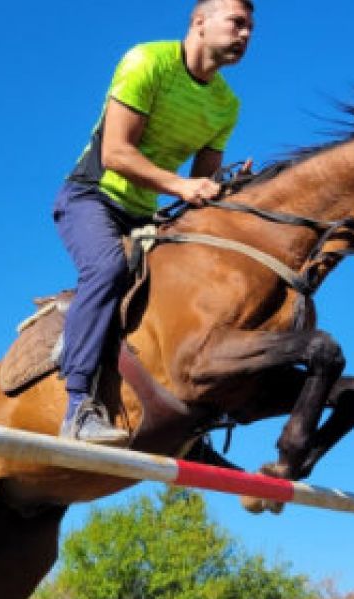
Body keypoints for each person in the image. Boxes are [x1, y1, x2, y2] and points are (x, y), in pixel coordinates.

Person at [54, 0, 254, 443]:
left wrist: (224, 187)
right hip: (92, 198)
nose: (246, 35)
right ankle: (78, 408)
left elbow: (203, 183)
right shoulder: (147, 60)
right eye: (237, 23)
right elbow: (116, 153)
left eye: (250, 29)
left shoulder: (227, 104)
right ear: (200, 22)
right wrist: (182, 187)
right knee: (108, 269)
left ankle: (192, 427)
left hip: (148, 213)